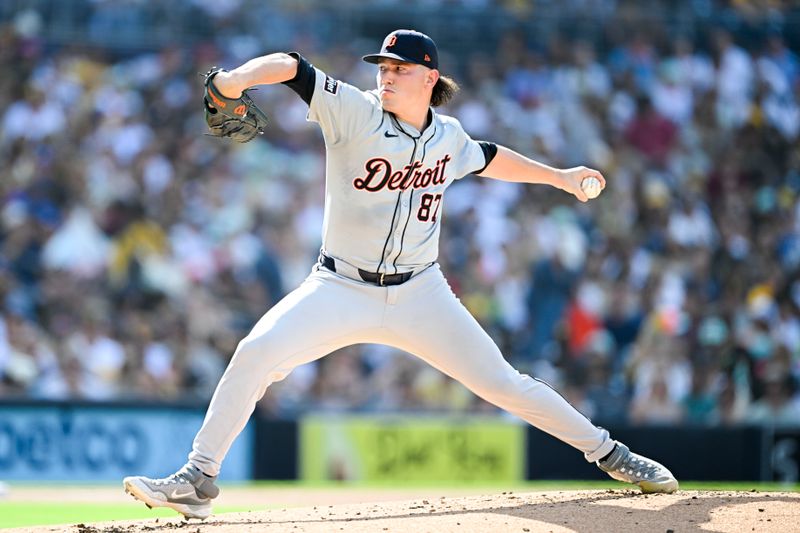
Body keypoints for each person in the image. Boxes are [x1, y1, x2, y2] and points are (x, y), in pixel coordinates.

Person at [123, 29, 678, 520]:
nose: (385, 76)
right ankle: (198, 477)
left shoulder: (448, 137)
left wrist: (559, 177)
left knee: (504, 383)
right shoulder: (355, 112)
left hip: (421, 293)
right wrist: (236, 79)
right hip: (338, 286)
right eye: (382, 68)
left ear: (430, 78)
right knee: (255, 353)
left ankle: (609, 453)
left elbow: (487, 156)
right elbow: (294, 68)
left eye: (398, 69)